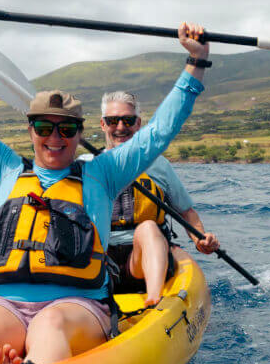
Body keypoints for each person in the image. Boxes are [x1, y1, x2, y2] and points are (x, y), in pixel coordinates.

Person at [0, 0, 211, 364]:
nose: (55, 138)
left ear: (80, 134)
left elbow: (159, 132)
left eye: (67, 129)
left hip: (77, 305)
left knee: (49, 327)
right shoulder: (2, 169)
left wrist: (195, 63)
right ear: (31, 130)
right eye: (44, 128)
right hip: (3, 302)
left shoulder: (102, 174)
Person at [84, 91, 220, 307]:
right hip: (98, 262)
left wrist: (200, 240)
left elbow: (187, 212)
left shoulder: (158, 165)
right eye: (112, 121)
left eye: (127, 120)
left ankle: (154, 301)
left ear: (138, 124)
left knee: (147, 227)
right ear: (102, 124)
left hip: (140, 260)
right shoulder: (85, 165)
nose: (120, 127)